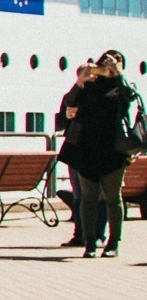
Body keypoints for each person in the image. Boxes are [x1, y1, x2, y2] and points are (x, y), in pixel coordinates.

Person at [74, 49, 139, 258]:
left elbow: (131, 97)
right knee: (88, 199)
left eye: (114, 64)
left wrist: (119, 74)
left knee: (113, 198)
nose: (108, 68)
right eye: (106, 64)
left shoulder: (122, 88)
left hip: (114, 151)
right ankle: (90, 243)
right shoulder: (90, 85)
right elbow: (70, 102)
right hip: (88, 149)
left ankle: (113, 243)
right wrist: (81, 81)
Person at [58, 63, 94, 247]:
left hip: (90, 149)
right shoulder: (72, 96)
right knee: (79, 194)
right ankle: (80, 234)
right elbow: (61, 121)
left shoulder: (99, 96)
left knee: (91, 195)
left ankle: (92, 235)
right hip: (75, 149)